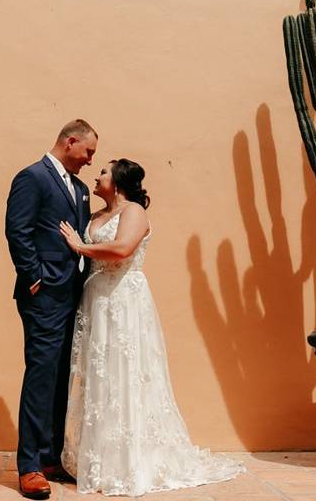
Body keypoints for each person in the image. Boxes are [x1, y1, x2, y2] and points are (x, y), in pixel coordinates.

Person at [58, 159, 244, 496]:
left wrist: (80, 246)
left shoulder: (133, 212)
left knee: (126, 373)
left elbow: (122, 248)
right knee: (100, 375)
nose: (97, 175)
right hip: (97, 298)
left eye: (104, 171)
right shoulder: (95, 216)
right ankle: (98, 458)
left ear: (118, 181)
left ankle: (130, 461)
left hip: (125, 299)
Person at [5, 119, 99, 500]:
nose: (91, 161)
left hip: (71, 294)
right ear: (70, 141)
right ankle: (28, 466)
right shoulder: (32, 177)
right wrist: (33, 277)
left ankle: (50, 457)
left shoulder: (78, 188)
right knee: (41, 374)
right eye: (88, 151)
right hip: (42, 295)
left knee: (62, 376)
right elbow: (17, 229)